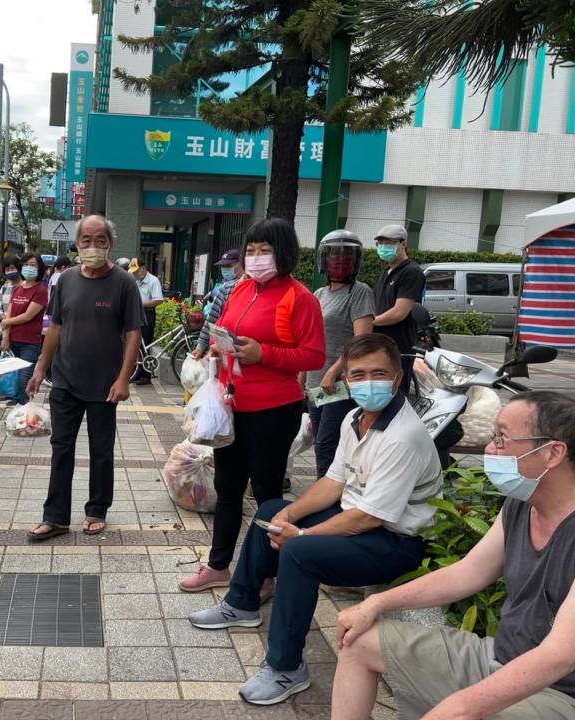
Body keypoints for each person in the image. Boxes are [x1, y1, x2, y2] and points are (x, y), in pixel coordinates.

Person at [189, 333, 442, 705]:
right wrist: (290, 516)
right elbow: (334, 481)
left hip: (396, 542)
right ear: (345, 379)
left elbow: (368, 518)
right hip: (358, 517)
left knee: (298, 553)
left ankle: (286, 667)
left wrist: (303, 534)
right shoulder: (356, 417)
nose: (367, 383)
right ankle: (242, 604)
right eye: (357, 375)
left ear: (398, 377)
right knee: (270, 511)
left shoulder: (403, 437)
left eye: (379, 373)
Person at [332, 391, 575, 720]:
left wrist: (459, 707)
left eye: (502, 438)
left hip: (561, 693)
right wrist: (375, 603)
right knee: (357, 642)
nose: (490, 449)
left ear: (552, 453)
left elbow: (559, 656)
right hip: (500, 657)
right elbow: (467, 573)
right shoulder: (521, 504)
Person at [178, 218, 325, 592]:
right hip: (232, 406)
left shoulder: (300, 297)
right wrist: (217, 348)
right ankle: (217, 566)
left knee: (266, 494)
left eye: (266, 250)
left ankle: (270, 573)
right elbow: (222, 329)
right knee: (227, 488)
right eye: (251, 250)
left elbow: (313, 355)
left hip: (274, 410)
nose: (256, 257)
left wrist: (266, 354)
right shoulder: (241, 290)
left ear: (284, 253)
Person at [25, 215, 144, 540]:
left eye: (100, 240)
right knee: (61, 447)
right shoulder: (66, 280)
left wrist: (124, 379)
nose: (93, 246)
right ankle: (56, 517)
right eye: (86, 241)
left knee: (101, 451)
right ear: (77, 245)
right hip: (65, 380)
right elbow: (56, 326)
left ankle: (96, 510)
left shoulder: (123, 282)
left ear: (110, 244)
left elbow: (133, 332)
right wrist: (40, 367)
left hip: (104, 385)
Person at [303, 230, 375, 478]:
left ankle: (328, 500)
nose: (340, 261)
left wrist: (334, 372)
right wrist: (301, 378)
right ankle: (328, 494)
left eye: (347, 255)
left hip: (340, 384)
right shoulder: (319, 295)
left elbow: (361, 340)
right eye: (334, 255)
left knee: (328, 444)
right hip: (316, 381)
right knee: (320, 442)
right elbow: (309, 338)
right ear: (324, 259)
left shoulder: (360, 292)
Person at [371, 224, 425, 395]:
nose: (383, 247)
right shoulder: (386, 272)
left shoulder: (411, 272)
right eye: (380, 243)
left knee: (394, 396)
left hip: (397, 350)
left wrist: (368, 323)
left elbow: (399, 313)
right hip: (378, 346)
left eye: (389, 243)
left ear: (403, 243)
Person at [1, 252, 49, 406]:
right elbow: (10, 311)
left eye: (33, 265)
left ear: (40, 268)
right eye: (26, 265)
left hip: (30, 342)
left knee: (24, 378)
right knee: (14, 376)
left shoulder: (40, 290)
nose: (29, 268)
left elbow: (28, 316)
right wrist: (5, 337)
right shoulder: (17, 288)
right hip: (14, 339)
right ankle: (17, 403)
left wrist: (7, 321)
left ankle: (24, 408)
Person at [194, 248, 243, 357]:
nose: (224, 269)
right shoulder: (225, 288)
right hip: (224, 348)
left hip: (246, 349)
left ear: (241, 265)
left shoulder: (257, 287)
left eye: (228, 266)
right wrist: (200, 346)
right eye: (223, 266)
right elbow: (212, 318)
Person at [130, 258, 165, 385]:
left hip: (148, 314)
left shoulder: (153, 281)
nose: (135, 273)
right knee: (137, 344)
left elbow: (158, 300)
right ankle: (137, 372)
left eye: (137, 270)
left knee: (146, 343)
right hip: (137, 313)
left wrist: (140, 304)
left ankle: (146, 376)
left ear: (144, 268)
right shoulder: (136, 280)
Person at [0, 254, 21, 330]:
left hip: (20, 325)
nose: (10, 271)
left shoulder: (25, 286)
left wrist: (11, 322)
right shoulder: (5, 287)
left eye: (12, 268)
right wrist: (5, 320)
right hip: (5, 324)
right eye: (7, 269)